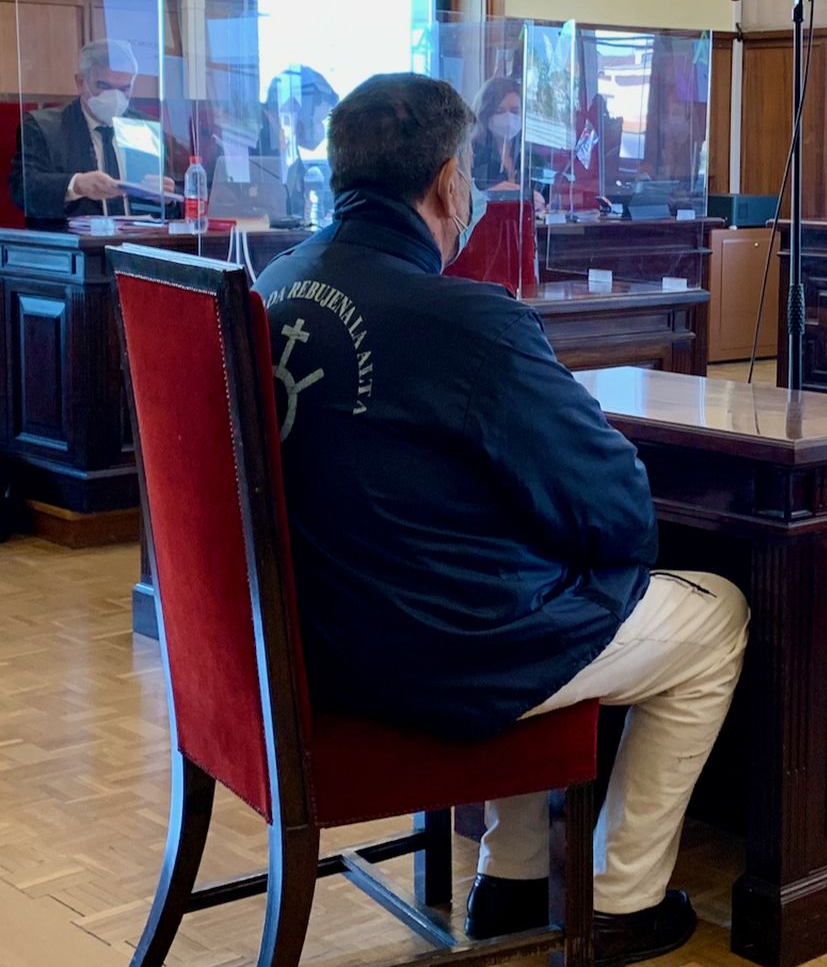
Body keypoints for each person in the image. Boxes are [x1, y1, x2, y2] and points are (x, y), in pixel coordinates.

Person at [252, 73, 746, 967]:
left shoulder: (274, 282)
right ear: (449, 182)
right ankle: (626, 897)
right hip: (429, 658)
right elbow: (614, 502)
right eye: (473, 168)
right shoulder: (468, 319)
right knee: (715, 612)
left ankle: (513, 874)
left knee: (520, 571)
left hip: (307, 643)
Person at [8, 39, 173, 224]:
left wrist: (167, 198)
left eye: (124, 88)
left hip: (141, 243)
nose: (114, 96)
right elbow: (23, 190)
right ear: (80, 83)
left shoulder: (145, 129)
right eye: (103, 86)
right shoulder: (44, 127)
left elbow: (177, 206)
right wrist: (76, 184)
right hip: (73, 247)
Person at [260, 65, 339, 222]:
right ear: (300, 107)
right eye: (319, 120)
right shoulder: (259, 139)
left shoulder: (286, 141)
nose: (320, 129)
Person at [468, 75, 547, 206]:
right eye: (500, 111)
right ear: (485, 113)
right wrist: (489, 195)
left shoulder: (531, 154)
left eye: (515, 111)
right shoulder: (471, 154)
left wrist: (541, 201)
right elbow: (456, 201)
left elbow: (550, 194)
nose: (509, 118)